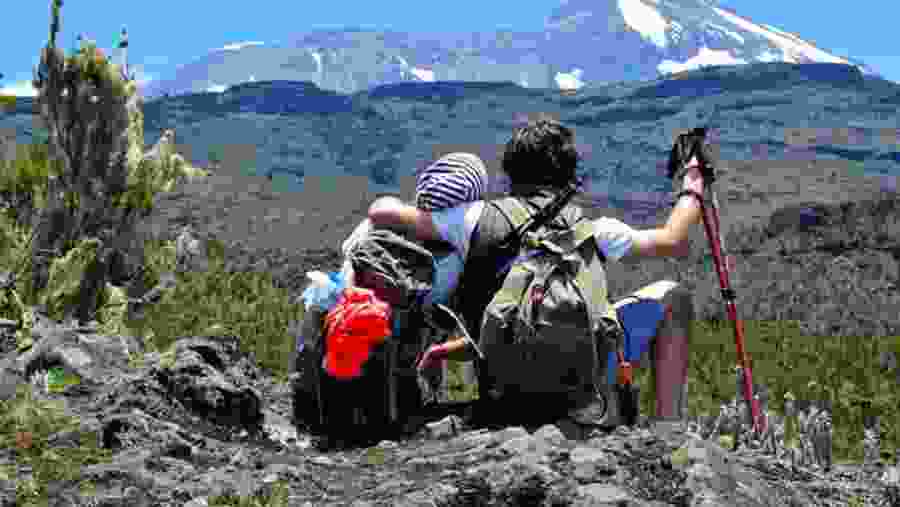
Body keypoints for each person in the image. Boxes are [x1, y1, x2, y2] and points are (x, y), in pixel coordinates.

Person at [367, 117, 708, 423]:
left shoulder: (472, 219)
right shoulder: (596, 230)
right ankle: (667, 430)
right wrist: (694, 180)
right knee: (672, 297)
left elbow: (382, 213)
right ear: (569, 172)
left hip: (505, 390)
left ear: (511, 172)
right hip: (582, 390)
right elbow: (673, 239)